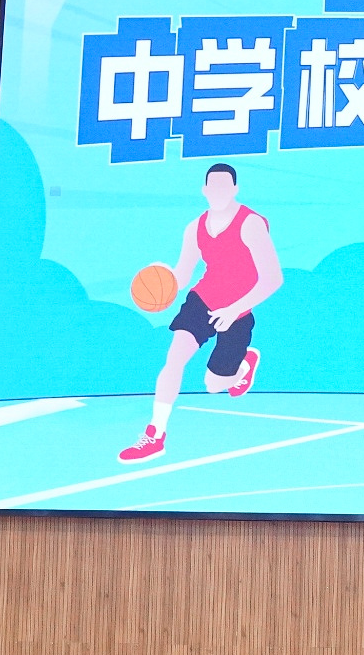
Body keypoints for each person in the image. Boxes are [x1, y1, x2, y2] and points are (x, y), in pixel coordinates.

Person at [118, 160, 282, 462]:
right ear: (204, 189)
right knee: (174, 359)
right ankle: (155, 434)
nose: (218, 190)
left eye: (224, 185)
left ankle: (243, 366)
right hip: (203, 300)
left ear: (235, 189)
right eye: (213, 185)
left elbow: (273, 278)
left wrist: (233, 310)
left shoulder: (251, 224)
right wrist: (162, 276)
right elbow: (182, 276)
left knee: (214, 385)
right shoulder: (195, 228)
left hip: (238, 311)